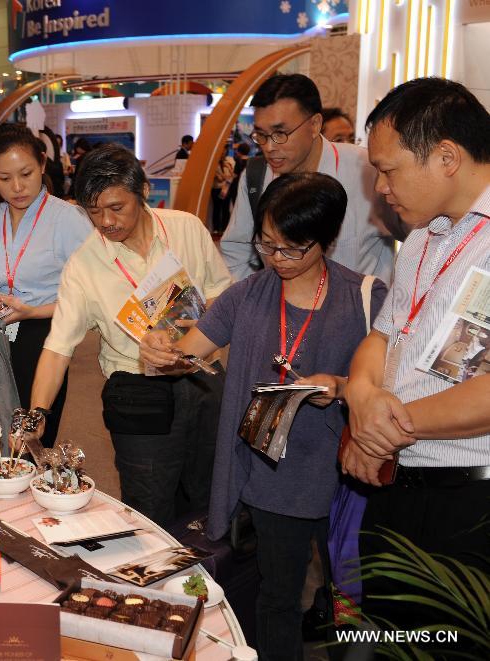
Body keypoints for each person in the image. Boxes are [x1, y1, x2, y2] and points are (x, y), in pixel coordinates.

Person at [141, 172, 388, 660]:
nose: (276, 259)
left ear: (327, 240)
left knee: (353, 599)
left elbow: (389, 382)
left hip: (347, 474)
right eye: (267, 245)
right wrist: (160, 352)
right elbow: (189, 353)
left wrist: (340, 387)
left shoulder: (364, 297)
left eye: (291, 248)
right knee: (277, 598)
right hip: (274, 480)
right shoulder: (247, 295)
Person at [342, 78, 490, 639]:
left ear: (447, 156)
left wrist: (383, 426)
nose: (380, 188)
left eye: (388, 169)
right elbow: (385, 335)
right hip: (400, 485)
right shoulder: (425, 236)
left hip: (469, 499)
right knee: (388, 637)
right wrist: (361, 396)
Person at [27, 143, 232, 524]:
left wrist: (200, 328)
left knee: (210, 494)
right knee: (150, 505)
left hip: (204, 379)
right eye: (93, 211)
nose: (105, 222)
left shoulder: (186, 228)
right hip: (138, 392)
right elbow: (58, 348)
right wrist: (39, 409)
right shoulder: (84, 265)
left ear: (143, 193)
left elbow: (223, 291)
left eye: (116, 207)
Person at [219, 74, 404, 283]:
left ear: (315, 124)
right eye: (261, 134)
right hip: (282, 313)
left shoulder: (367, 169)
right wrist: (258, 302)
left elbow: (416, 234)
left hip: (360, 313)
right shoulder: (256, 176)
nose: (269, 147)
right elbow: (237, 249)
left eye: (281, 133)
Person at [0, 123, 91, 448]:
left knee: (31, 441)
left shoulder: (68, 219)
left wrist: (32, 311)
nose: (17, 187)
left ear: (42, 164)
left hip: (45, 338)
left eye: (25, 173)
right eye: (4, 178)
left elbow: (90, 297)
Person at [211, 150, 235, 234]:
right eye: (220, 153)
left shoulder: (228, 163)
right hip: (216, 189)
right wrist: (221, 176)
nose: (222, 155)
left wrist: (227, 175)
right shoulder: (212, 164)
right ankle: (216, 228)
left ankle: (225, 228)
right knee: (216, 209)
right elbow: (217, 178)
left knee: (225, 209)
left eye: (223, 153)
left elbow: (233, 175)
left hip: (226, 189)